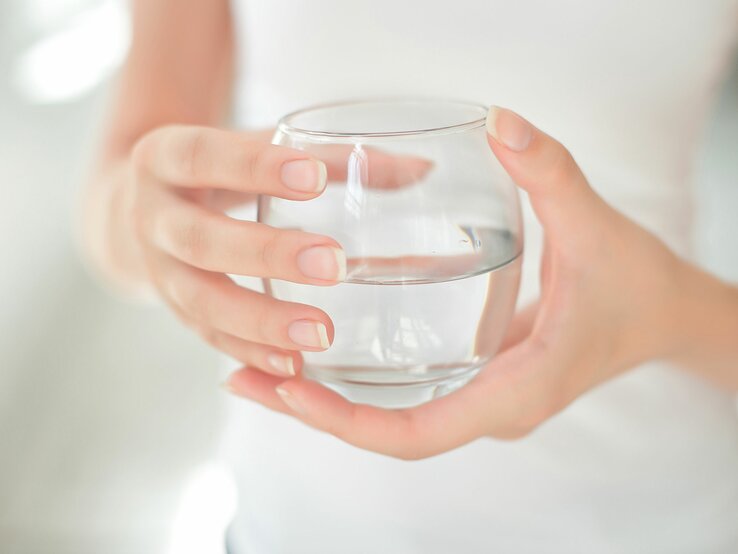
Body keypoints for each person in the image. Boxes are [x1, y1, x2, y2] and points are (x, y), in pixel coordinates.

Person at [83, 0, 738, 551]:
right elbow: (118, 189)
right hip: (297, 524)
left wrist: (665, 307)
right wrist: (147, 218)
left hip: (652, 521)